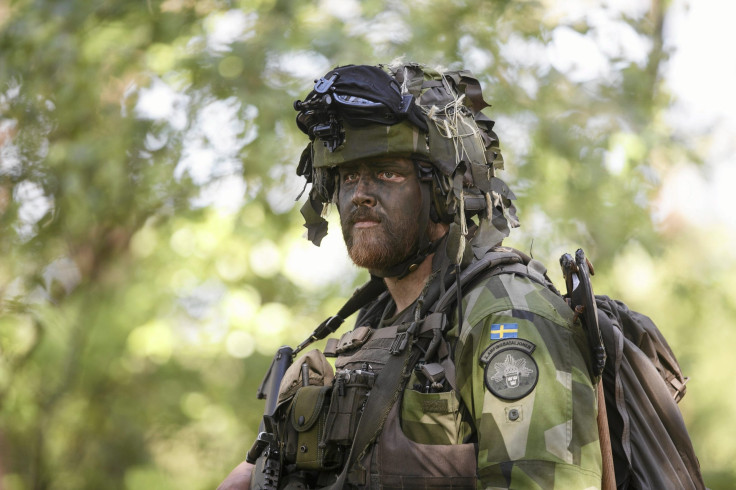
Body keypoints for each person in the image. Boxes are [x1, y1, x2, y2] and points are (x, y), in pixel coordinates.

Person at [219, 62, 603, 489]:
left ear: (442, 191)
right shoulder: (374, 323)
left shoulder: (506, 313)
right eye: (348, 177)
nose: (360, 194)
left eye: (387, 173)